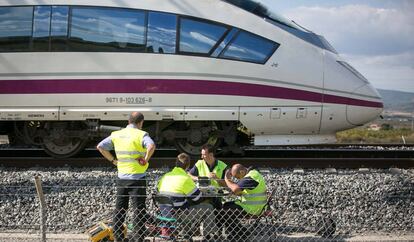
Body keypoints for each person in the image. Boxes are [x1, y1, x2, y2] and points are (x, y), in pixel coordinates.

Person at [97, 112, 156, 242]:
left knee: (120, 208)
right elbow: (151, 146)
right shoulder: (141, 134)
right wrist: (145, 159)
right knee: (138, 209)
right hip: (138, 178)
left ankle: (118, 236)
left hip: (122, 178)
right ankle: (138, 238)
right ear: (141, 122)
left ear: (128, 121)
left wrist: (113, 161)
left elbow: (100, 147)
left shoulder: (117, 134)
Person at [157, 153, 216, 240]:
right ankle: (207, 237)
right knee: (208, 207)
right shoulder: (185, 178)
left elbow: (160, 192)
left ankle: (186, 235)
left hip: (163, 213)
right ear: (188, 165)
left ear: (176, 163)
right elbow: (197, 198)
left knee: (185, 206)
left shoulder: (166, 176)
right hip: (177, 214)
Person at [221, 164, 267, 242]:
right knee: (226, 205)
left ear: (242, 172)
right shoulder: (254, 173)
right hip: (257, 206)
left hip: (253, 208)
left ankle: (240, 234)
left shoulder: (250, 177)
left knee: (224, 210)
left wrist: (227, 180)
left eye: (238, 177)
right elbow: (239, 192)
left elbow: (236, 190)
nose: (238, 179)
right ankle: (241, 232)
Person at [188, 144, 228, 209]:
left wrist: (217, 178)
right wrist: (199, 178)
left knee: (216, 207)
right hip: (202, 195)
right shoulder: (199, 163)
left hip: (215, 196)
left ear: (211, 155)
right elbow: (189, 175)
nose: (201, 157)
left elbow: (227, 185)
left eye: (204, 154)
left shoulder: (222, 166)